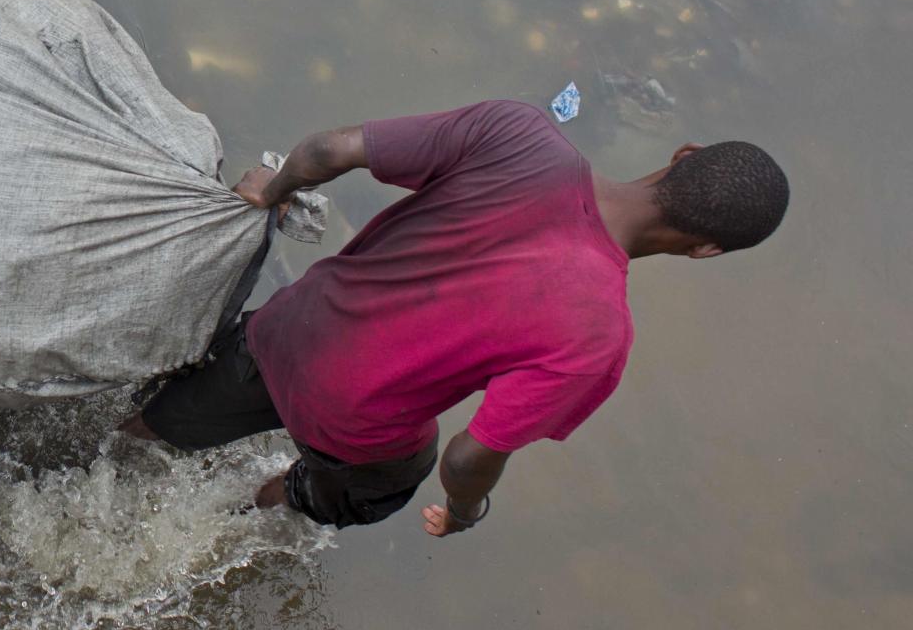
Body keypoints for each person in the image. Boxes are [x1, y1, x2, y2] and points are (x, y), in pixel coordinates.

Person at [122, 100, 789, 538]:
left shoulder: (520, 134)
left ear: (684, 154)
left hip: (292, 328)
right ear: (706, 250)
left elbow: (329, 150)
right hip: (357, 423)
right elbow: (471, 455)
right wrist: (467, 511)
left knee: (164, 422)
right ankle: (256, 508)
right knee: (395, 469)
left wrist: (269, 190)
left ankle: (124, 442)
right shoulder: (600, 335)